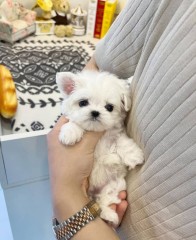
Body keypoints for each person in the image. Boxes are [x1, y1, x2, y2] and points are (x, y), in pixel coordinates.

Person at [48, 0, 196, 239]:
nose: (96, 112)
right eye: (85, 103)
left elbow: (120, 142)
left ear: (121, 105)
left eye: (108, 107)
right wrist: (67, 192)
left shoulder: (115, 121)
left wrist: (67, 195)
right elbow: (101, 61)